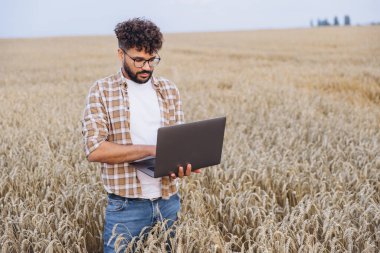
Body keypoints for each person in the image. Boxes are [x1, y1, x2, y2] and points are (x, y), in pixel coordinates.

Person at [81, 18, 200, 252]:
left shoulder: (169, 89)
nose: (146, 67)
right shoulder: (102, 91)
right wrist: (151, 150)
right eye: (138, 60)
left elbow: (179, 142)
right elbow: (95, 150)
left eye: (152, 59)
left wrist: (183, 163)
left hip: (169, 203)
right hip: (125, 208)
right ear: (120, 54)